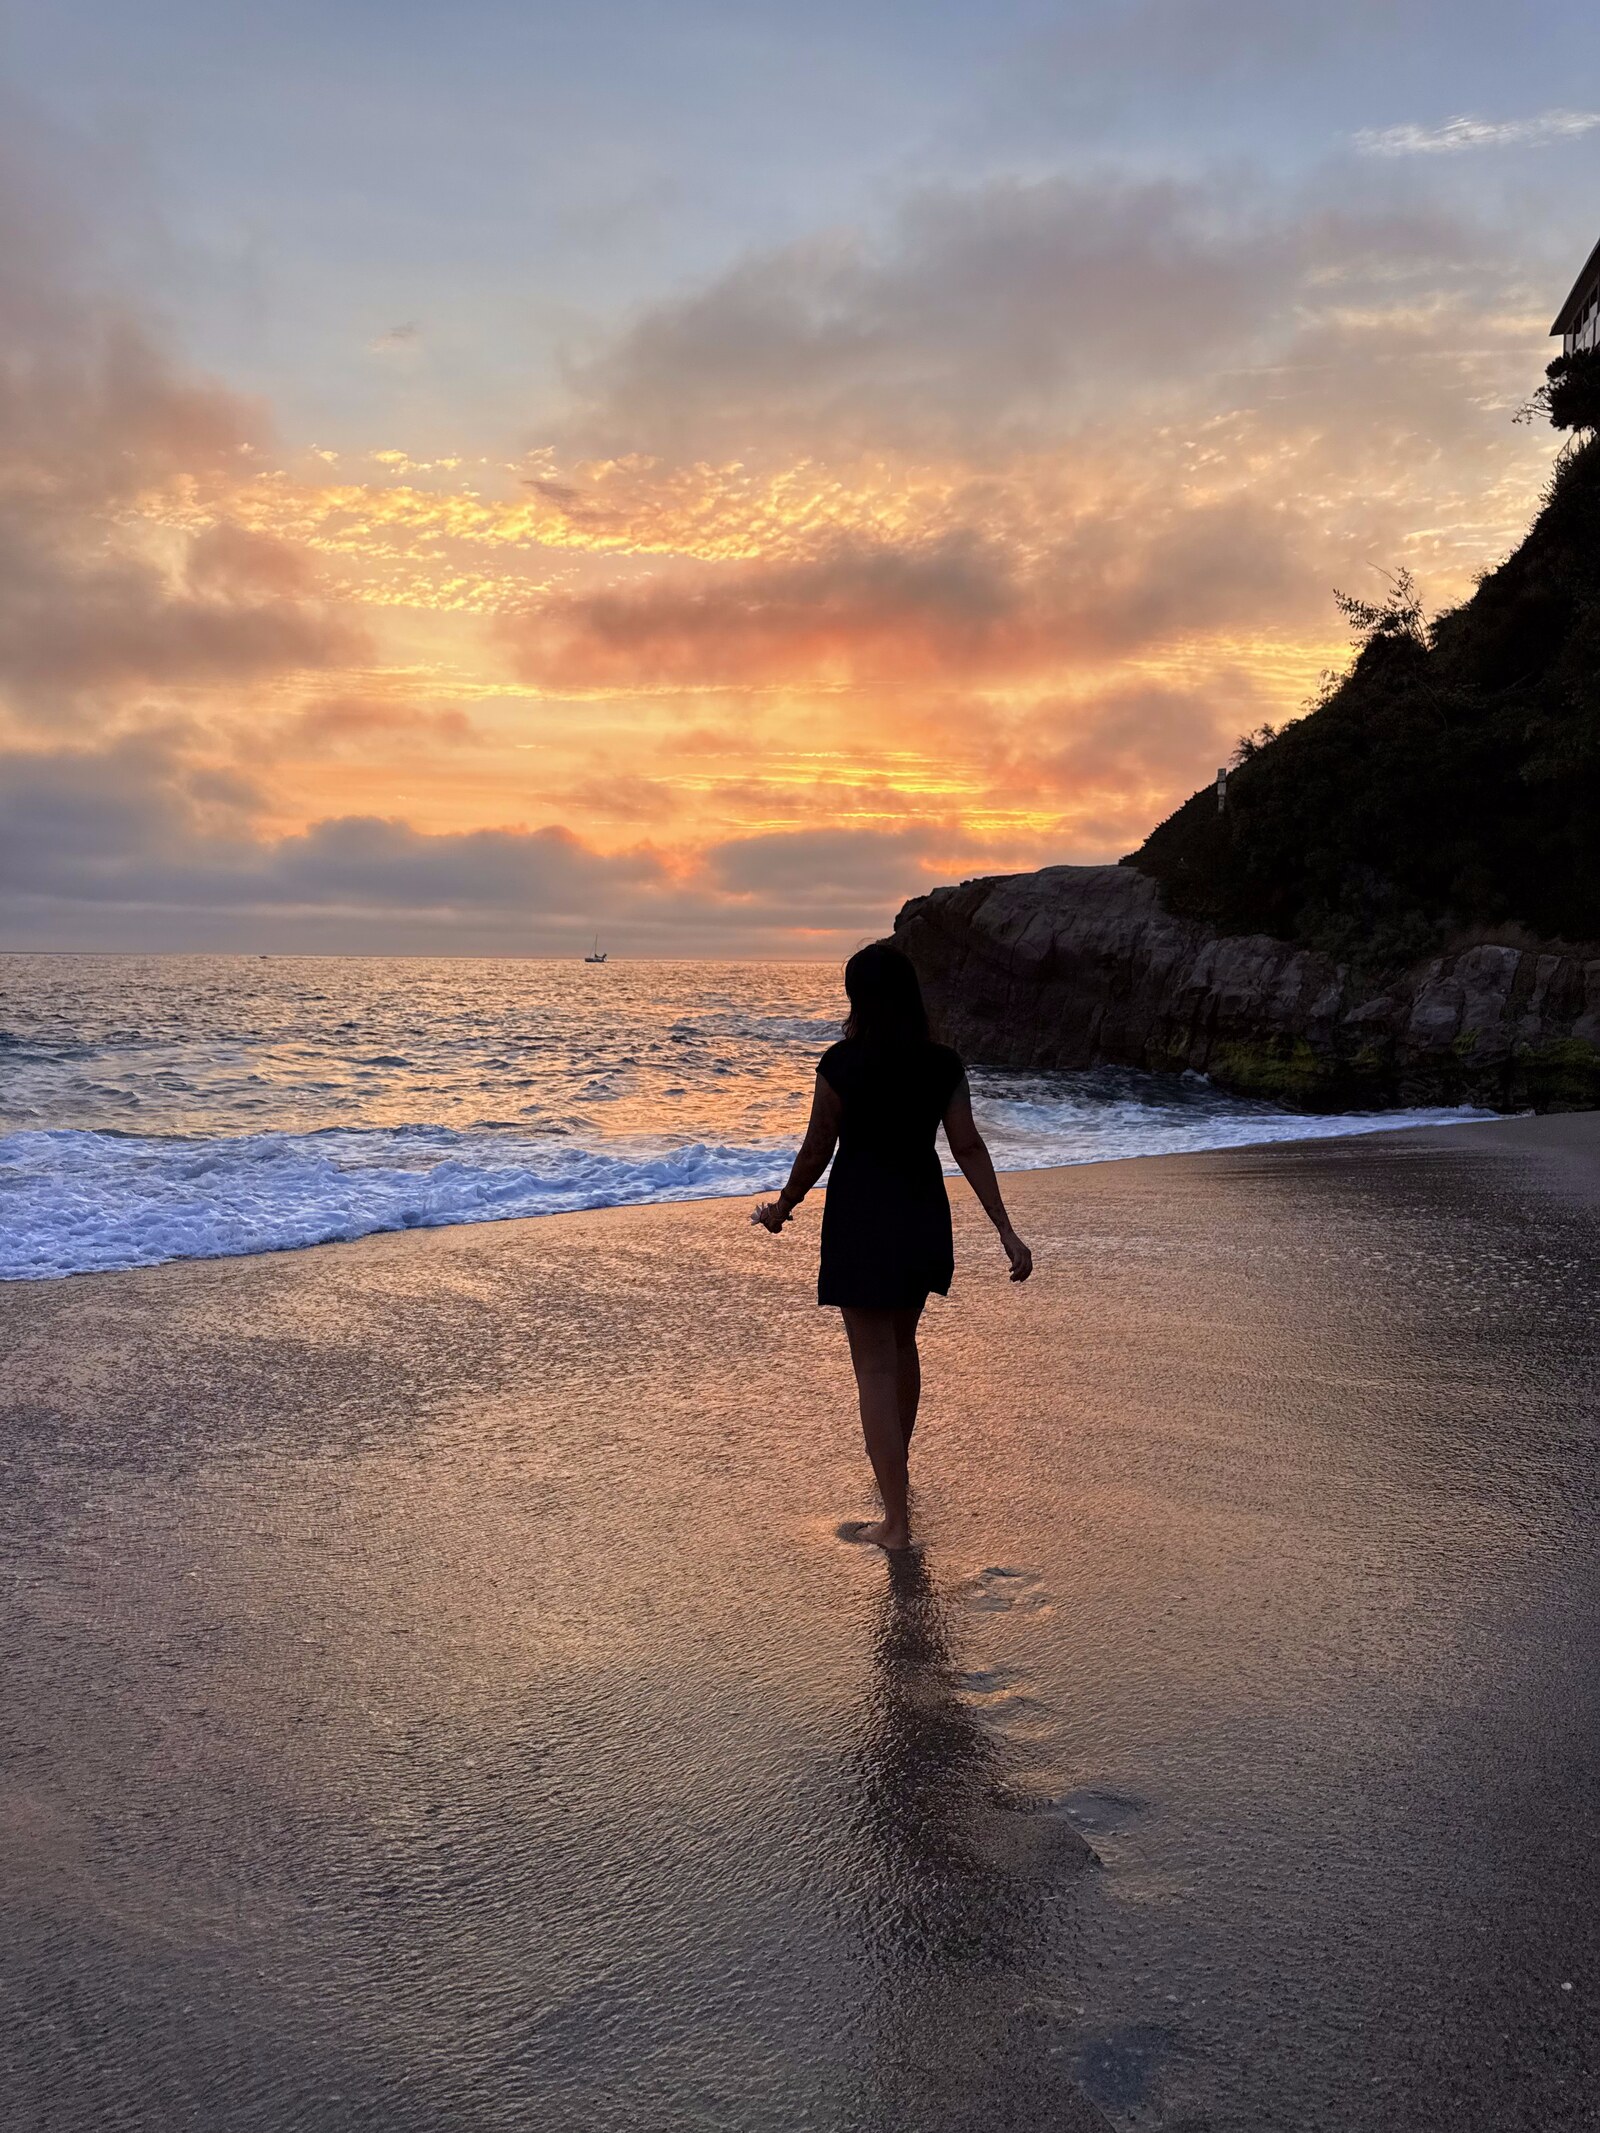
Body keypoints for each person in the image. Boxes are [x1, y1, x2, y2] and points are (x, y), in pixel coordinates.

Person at [752, 943, 1032, 1551]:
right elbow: (968, 1147)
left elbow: (816, 1147)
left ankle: (896, 1523)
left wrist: (783, 1209)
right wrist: (1005, 1230)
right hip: (921, 1215)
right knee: (902, 1349)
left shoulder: (842, 1063)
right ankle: (894, 1481)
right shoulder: (942, 1064)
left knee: (874, 1367)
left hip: (861, 1218)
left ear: (858, 999)